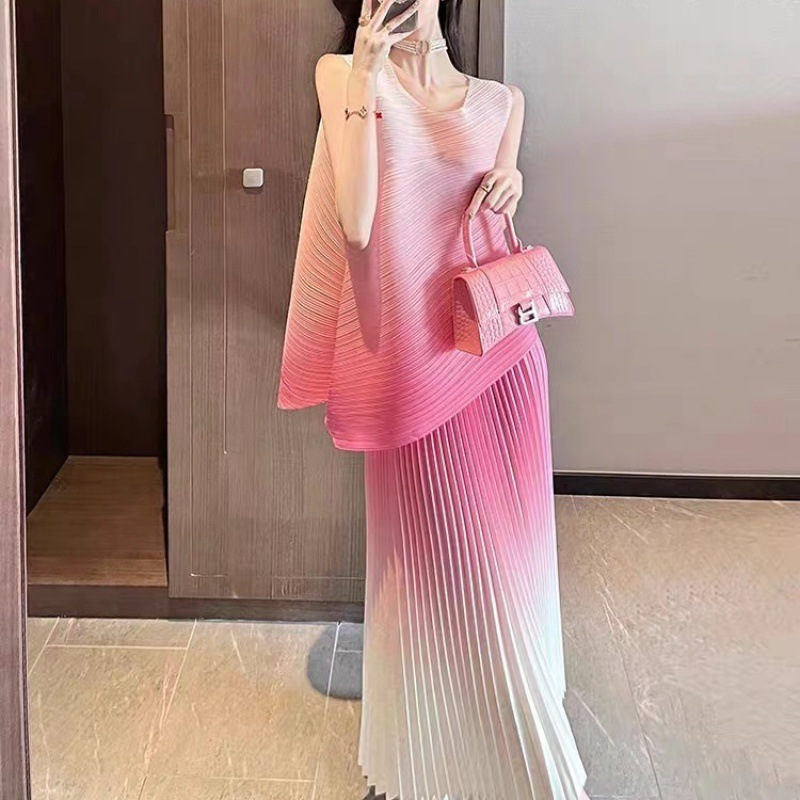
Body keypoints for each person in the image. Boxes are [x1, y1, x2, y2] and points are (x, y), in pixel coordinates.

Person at [278, 0, 590, 797]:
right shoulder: (344, 77)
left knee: (510, 569)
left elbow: (485, 234)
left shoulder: (502, 103)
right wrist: (367, 72)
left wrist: (512, 182)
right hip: (411, 377)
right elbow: (356, 225)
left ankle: (517, 761)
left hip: (503, 365)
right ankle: (429, 765)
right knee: (426, 576)